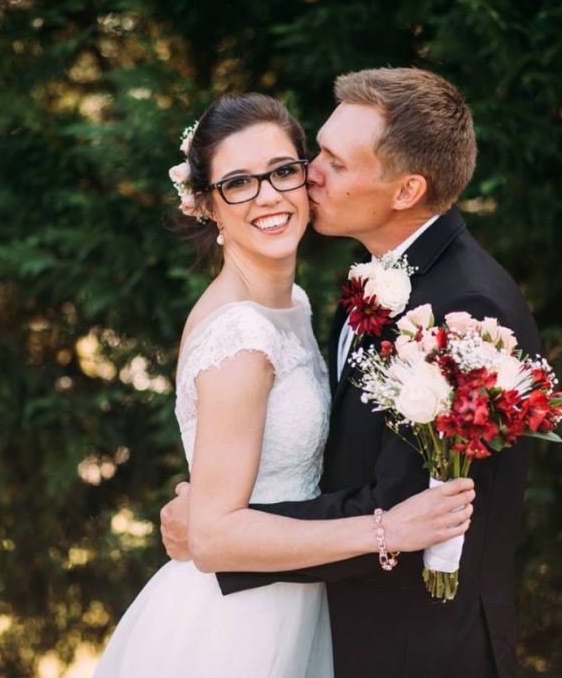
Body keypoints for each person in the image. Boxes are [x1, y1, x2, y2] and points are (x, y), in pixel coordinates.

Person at [162, 68, 542, 678]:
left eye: (333, 163)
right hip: (314, 627)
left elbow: (400, 505)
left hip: (420, 646)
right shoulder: (376, 276)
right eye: (316, 152)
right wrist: (217, 520)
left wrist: (218, 533)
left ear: (405, 190)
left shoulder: (464, 308)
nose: (308, 174)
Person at [93, 92, 475, 677]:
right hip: (234, 628)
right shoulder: (242, 336)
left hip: (296, 602)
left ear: (305, 176)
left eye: (281, 171)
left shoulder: (290, 303)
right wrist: (388, 529)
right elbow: (217, 538)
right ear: (206, 205)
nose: (268, 196)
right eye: (238, 183)